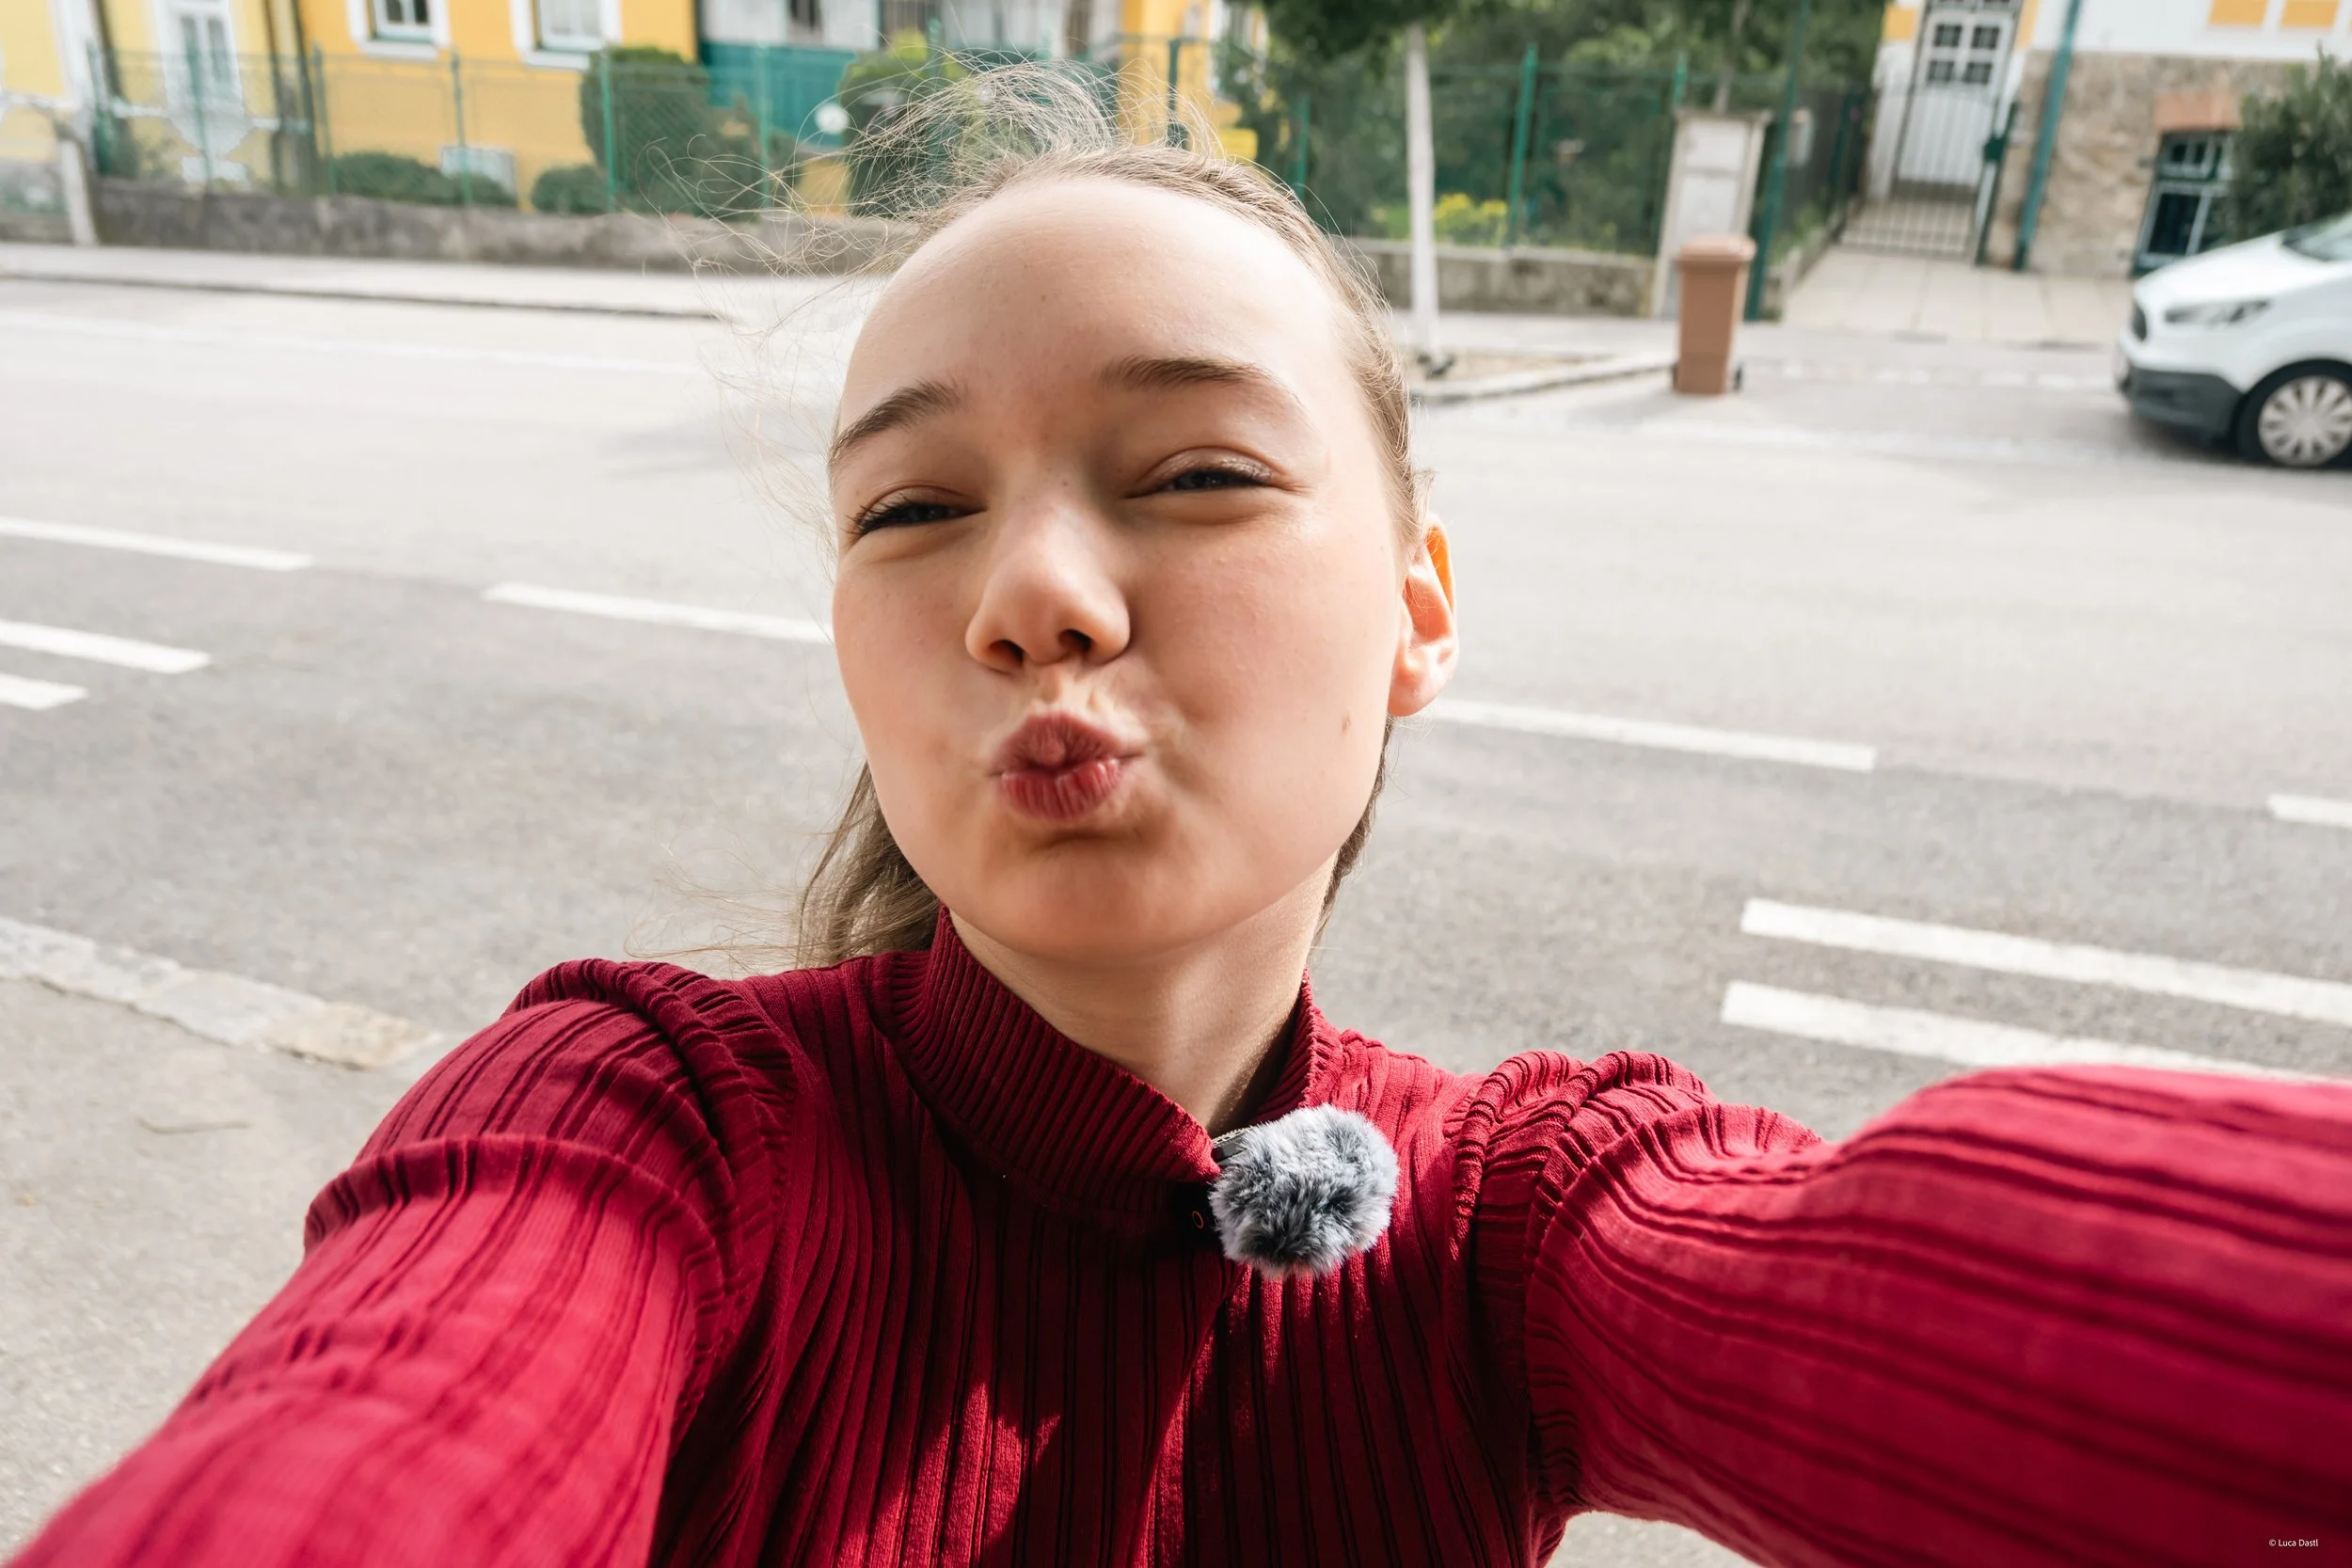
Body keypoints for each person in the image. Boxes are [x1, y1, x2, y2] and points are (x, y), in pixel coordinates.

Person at [13, 78, 2350, 1568]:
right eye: (910, 505)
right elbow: (386, 1435)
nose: (1029, 593)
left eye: (1197, 470)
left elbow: (1893, 1303)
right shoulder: (650, 1127)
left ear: (1418, 607)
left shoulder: (1501, 1224)